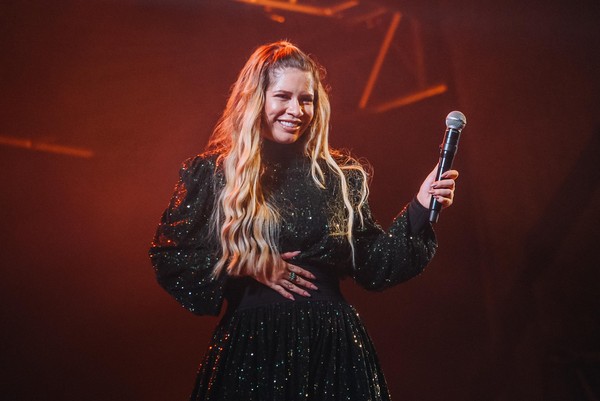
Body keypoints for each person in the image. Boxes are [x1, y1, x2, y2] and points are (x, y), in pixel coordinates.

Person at [149, 41, 458, 401]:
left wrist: (421, 207)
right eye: (283, 96)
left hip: (333, 349)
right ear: (255, 99)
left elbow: (375, 267)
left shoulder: (339, 176)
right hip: (254, 348)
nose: (296, 109)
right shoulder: (212, 174)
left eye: (306, 99)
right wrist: (243, 264)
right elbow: (171, 257)